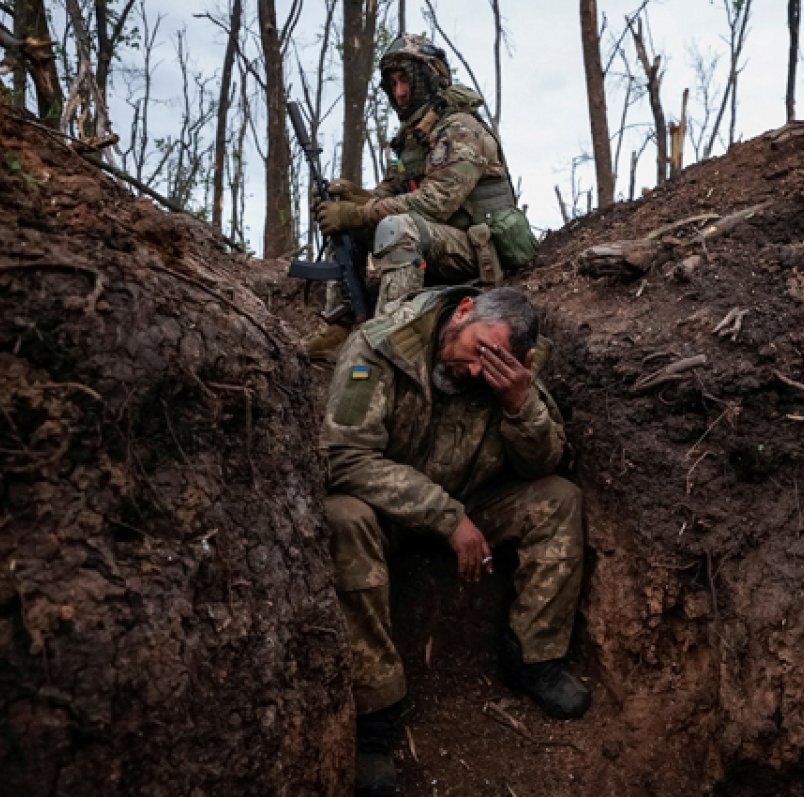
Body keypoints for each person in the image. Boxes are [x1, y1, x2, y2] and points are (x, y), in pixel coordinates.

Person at [321, 286, 589, 796]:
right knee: (342, 518)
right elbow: (343, 457)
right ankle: (374, 711)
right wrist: (446, 519)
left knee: (558, 498)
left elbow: (543, 464)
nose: (474, 372)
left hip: (472, 498)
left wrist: (518, 403)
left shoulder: (512, 369)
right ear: (463, 311)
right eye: (477, 351)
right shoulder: (381, 346)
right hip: (389, 511)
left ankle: (533, 658)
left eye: (493, 363)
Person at [304, 33, 538, 361]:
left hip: (478, 251)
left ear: (430, 78)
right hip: (436, 243)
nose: (399, 92)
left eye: (406, 81)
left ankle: (389, 339)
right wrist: (351, 199)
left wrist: (358, 213)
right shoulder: (412, 137)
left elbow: (436, 203)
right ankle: (339, 326)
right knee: (351, 225)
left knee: (398, 227)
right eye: (393, 83)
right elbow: (389, 192)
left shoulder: (459, 128)